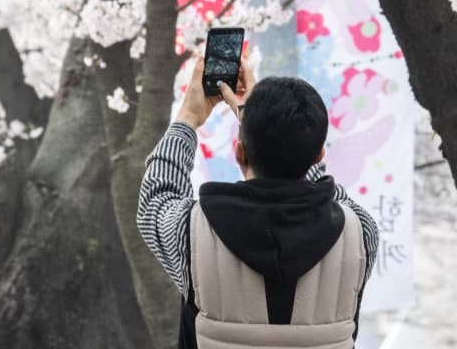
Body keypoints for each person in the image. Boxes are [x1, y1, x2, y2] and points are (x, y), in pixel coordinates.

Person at [137, 56, 379, 349]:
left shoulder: (191, 233)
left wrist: (188, 116)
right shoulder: (360, 234)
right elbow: (324, 189)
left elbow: (157, 196)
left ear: (239, 152)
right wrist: (277, 134)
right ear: (318, 157)